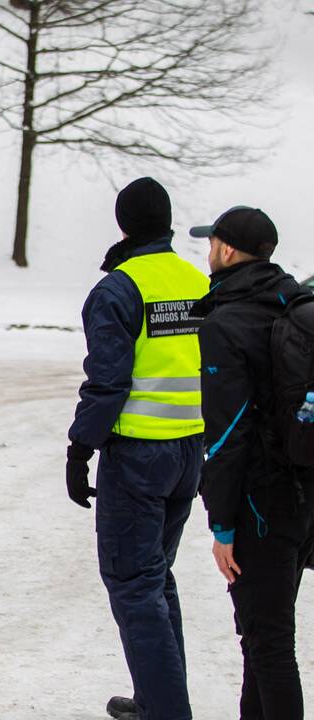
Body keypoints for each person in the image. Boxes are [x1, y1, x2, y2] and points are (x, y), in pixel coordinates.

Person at [65, 177, 207, 720]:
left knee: (132, 582)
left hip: (140, 456)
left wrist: (80, 448)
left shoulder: (119, 290)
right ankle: (156, 700)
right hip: (188, 453)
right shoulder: (196, 281)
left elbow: (107, 383)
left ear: (124, 225)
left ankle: (167, 712)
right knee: (154, 578)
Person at [189, 206, 314, 719]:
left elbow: (226, 436)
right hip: (304, 492)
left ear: (227, 250)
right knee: (260, 638)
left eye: (211, 242)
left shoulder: (227, 322)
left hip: (261, 503)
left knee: (270, 645)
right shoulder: (292, 301)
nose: (208, 252)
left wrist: (221, 525)